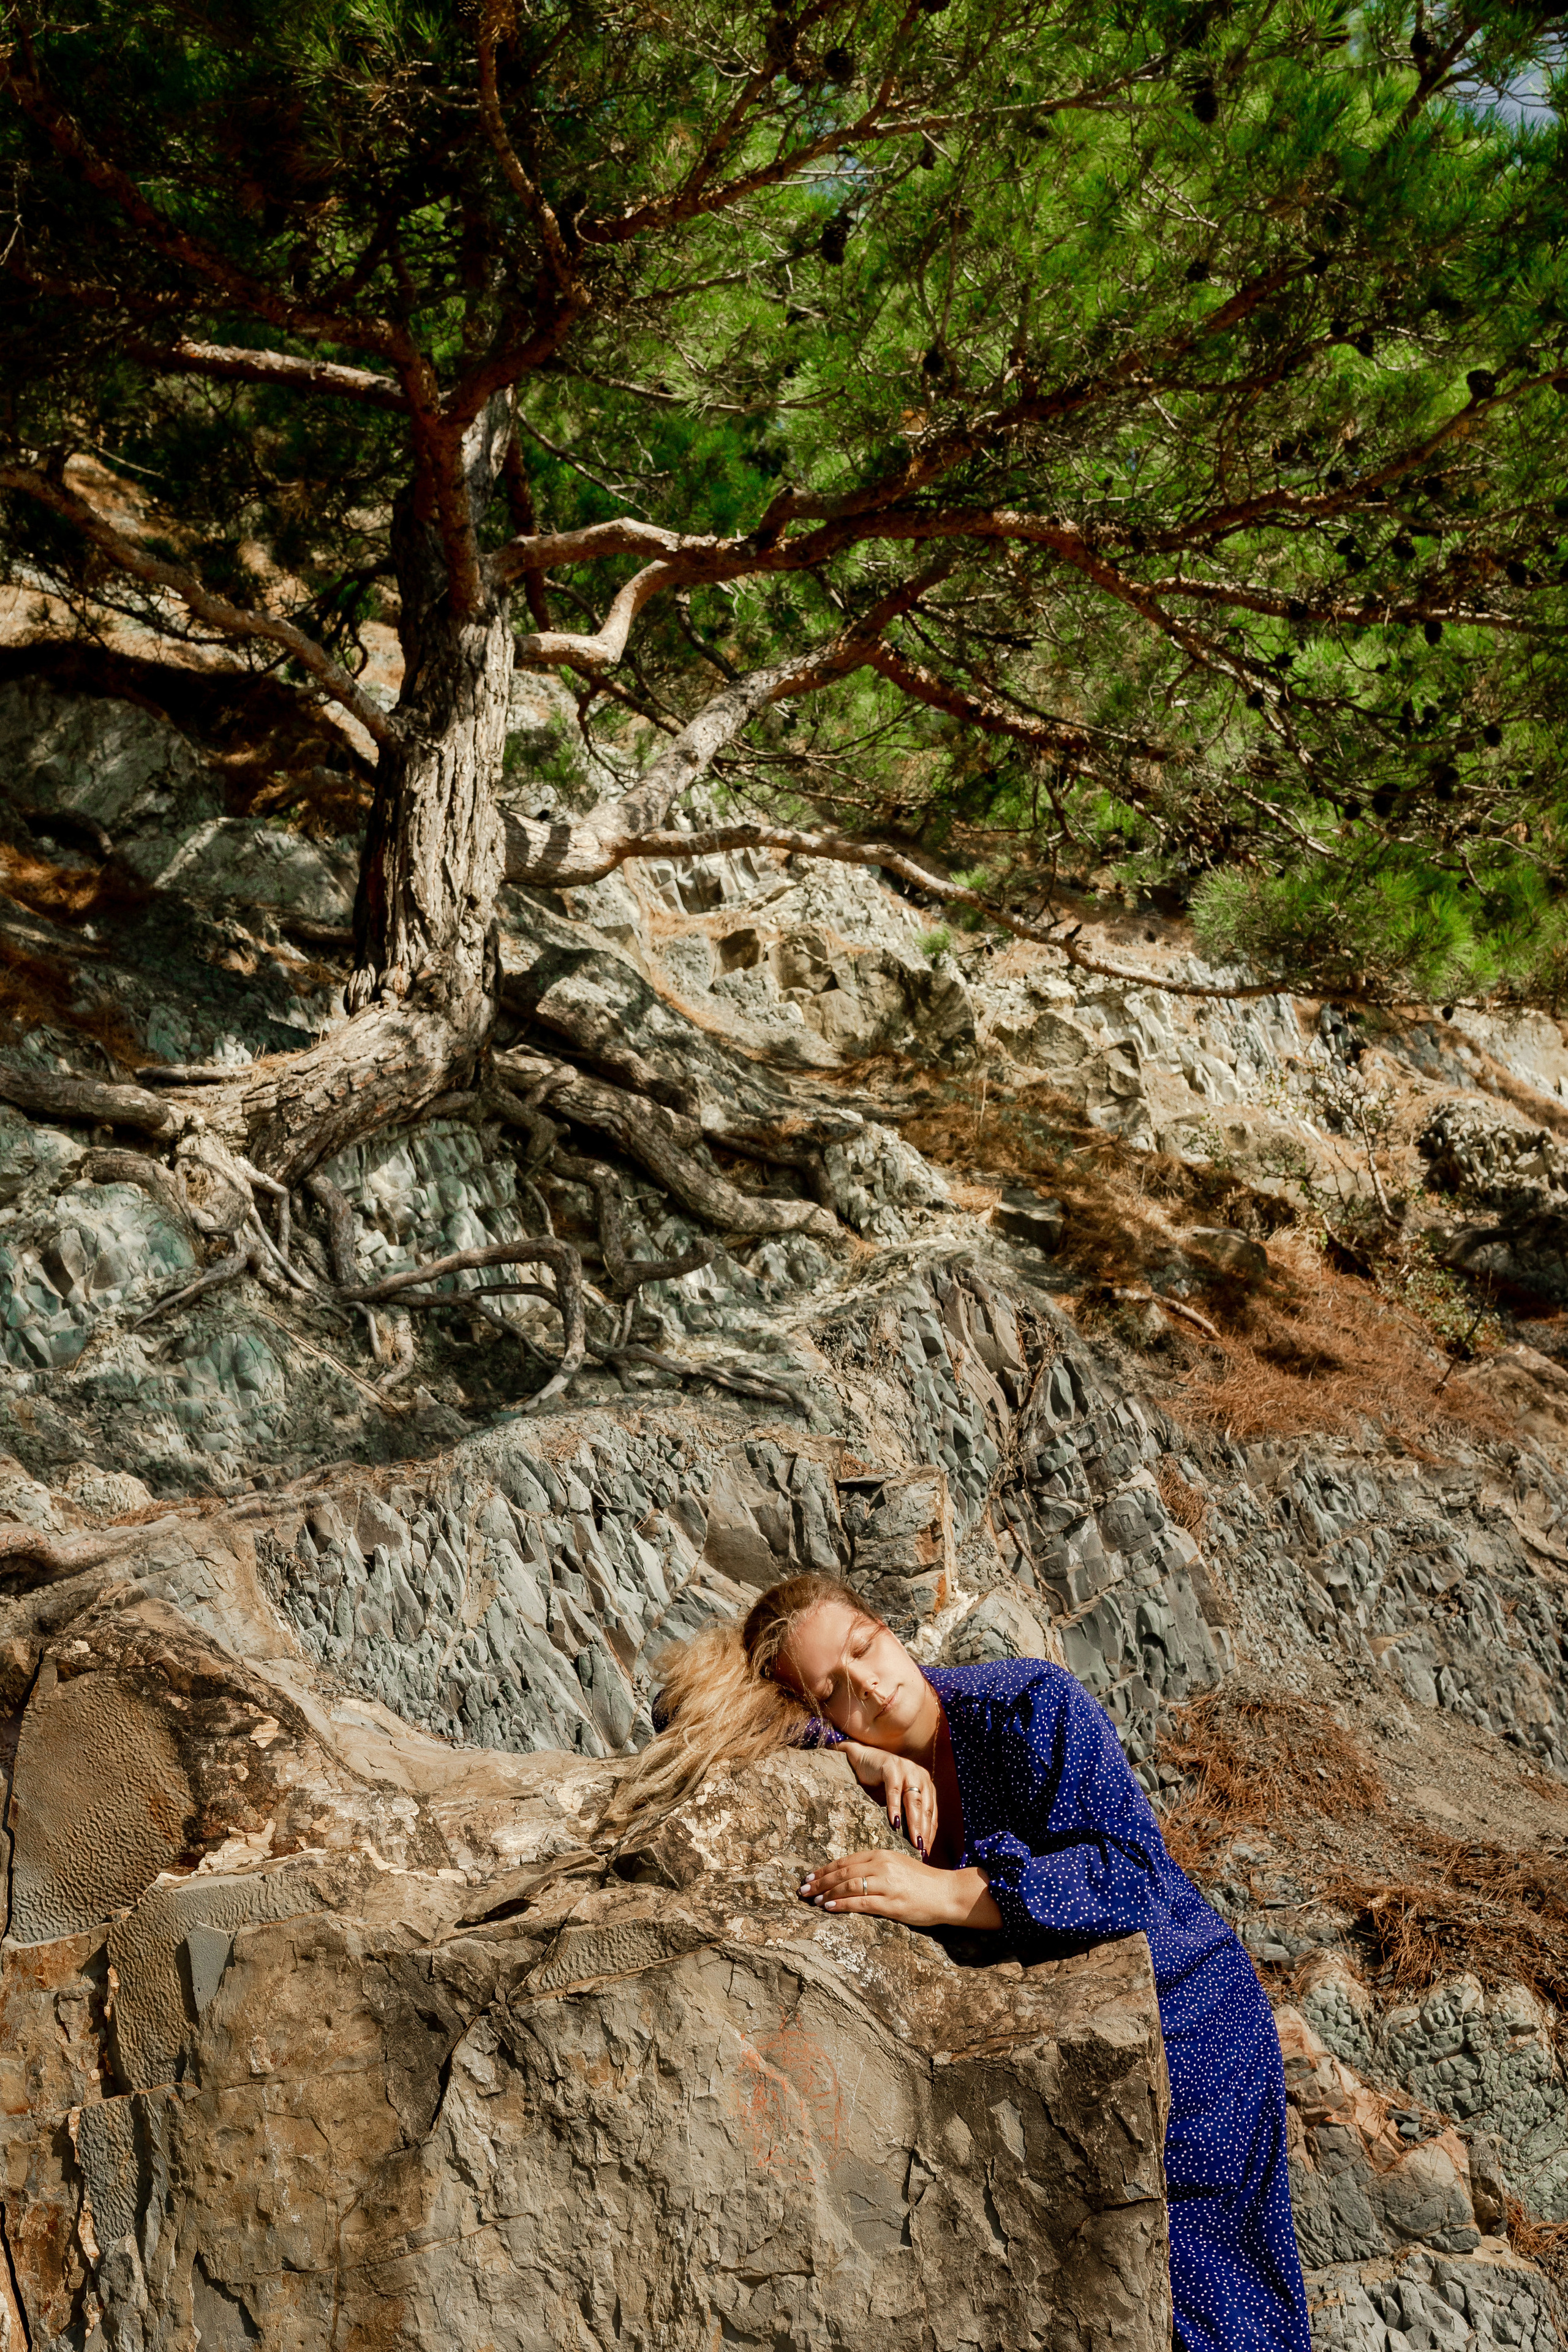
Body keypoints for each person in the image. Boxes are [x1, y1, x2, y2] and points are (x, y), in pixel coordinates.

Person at [609, 1570, 1311, 2352]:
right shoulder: (857, 1753)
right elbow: (677, 1713)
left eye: (864, 1648)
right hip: (1068, 2063)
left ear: (887, 1627)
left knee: (1214, 2309)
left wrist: (948, 1892)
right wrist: (848, 1757)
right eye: (833, 1691)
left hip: (1194, 2021)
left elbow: (1133, 1876)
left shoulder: (1026, 1705)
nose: (868, 1686)